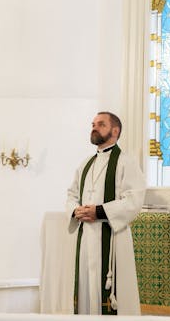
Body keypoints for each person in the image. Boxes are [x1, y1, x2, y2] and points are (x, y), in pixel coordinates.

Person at [65, 112, 146, 315]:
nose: (94, 127)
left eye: (101, 124)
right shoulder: (86, 164)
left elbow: (134, 200)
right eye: (93, 124)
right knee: (86, 287)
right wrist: (76, 210)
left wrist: (99, 211)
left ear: (115, 131)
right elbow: (71, 194)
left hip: (112, 237)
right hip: (86, 237)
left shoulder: (127, 162)